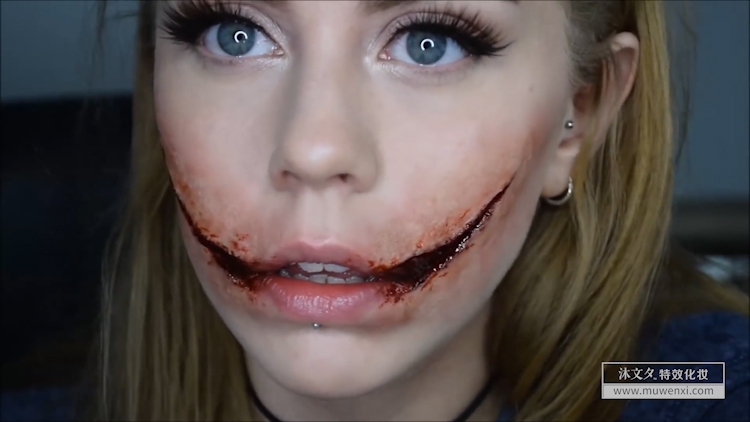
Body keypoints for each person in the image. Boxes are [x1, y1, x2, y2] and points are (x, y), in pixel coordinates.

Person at [90, 1, 749, 421]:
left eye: (430, 41)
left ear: (583, 112)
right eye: (235, 36)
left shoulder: (693, 383)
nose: (313, 150)